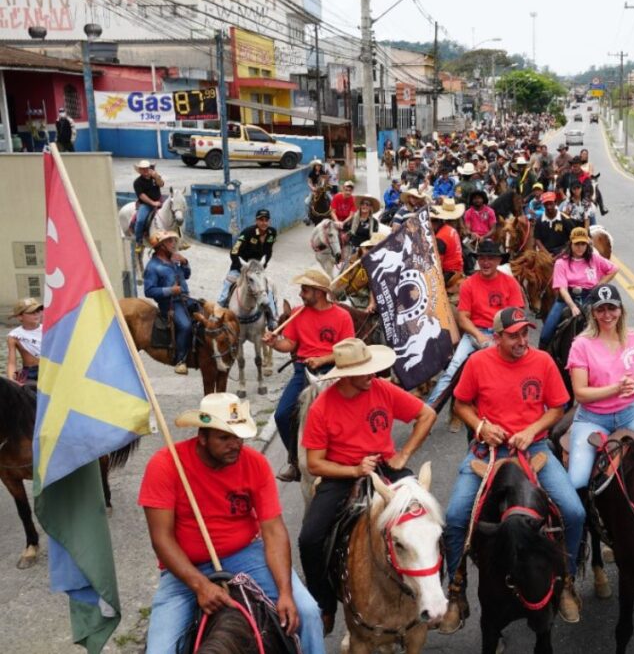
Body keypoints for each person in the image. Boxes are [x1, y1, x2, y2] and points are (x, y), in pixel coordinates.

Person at [138, 393, 324, 654]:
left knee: (308, 612)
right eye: (224, 437)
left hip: (246, 555)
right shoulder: (165, 465)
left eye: (239, 436)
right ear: (202, 437)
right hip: (185, 568)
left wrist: (284, 591)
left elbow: (273, 530)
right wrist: (200, 585)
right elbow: (161, 539)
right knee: (159, 650)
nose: (235, 445)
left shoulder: (255, 463)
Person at [439, 307, 585, 632]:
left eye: (524, 333)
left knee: (574, 512)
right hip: (488, 451)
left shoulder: (543, 361)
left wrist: (532, 430)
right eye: (514, 335)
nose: (522, 340)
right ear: (496, 336)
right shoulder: (478, 363)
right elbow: (461, 404)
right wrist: (480, 427)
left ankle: (567, 580)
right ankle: (455, 589)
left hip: (532, 449)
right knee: (456, 517)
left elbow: (558, 406)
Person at [297, 339, 437, 634]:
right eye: (365, 371)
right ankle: (325, 605)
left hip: (386, 468)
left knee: (428, 520)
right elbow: (315, 464)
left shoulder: (383, 389)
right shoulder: (322, 408)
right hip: (341, 475)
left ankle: (441, 594)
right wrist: (354, 469)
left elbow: (427, 415)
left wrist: (404, 454)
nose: (373, 375)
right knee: (309, 539)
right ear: (345, 375)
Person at [566, 285, 634, 491]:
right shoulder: (581, 345)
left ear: (621, 310)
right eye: (600, 309)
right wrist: (616, 389)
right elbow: (581, 394)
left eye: (612, 308)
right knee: (578, 481)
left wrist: (632, 385)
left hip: (631, 414)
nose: (607, 315)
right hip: (592, 419)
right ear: (592, 313)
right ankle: (583, 521)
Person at [262, 269, 355, 482]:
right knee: (282, 414)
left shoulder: (342, 316)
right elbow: (289, 345)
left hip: (333, 371)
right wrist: (274, 342)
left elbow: (349, 350)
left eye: (305, 290)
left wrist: (323, 360)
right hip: (302, 370)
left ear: (319, 292)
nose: (301, 294)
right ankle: (294, 461)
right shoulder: (296, 313)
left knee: (349, 411)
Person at [425, 240, 523, 408]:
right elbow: (463, 318)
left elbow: (517, 315)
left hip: (503, 333)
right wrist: (480, 336)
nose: (486, 262)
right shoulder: (469, 284)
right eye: (482, 258)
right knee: (453, 369)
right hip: (475, 333)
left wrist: (502, 336)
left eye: (490, 258)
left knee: (527, 365)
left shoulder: (510, 283)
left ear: (499, 261)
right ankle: (428, 412)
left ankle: (534, 409)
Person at [539, 227, 617, 348]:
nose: (580, 247)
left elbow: (613, 269)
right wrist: (572, 306)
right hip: (567, 299)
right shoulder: (561, 263)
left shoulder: (594, 258)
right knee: (546, 334)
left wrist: (598, 285)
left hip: (590, 297)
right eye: (577, 244)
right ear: (571, 244)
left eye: (583, 244)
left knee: (611, 326)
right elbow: (562, 289)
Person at [144, 231, 192, 375]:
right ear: (161, 246)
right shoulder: (152, 267)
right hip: (170, 304)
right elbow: (149, 291)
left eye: (172, 240)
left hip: (185, 299)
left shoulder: (174, 260)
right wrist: (170, 290)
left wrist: (185, 263)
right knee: (186, 325)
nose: (173, 244)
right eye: (169, 241)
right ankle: (180, 360)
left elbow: (187, 275)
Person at [217, 209, 277, 318]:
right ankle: (219, 313)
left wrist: (261, 267)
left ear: (269, 221)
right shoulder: (248, 233)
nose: (264, 223)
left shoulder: (272, 233)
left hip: (257, 270)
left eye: (266, 220)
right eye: (261, 220)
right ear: (256, 221)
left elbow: (268, 252)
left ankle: (272, 318)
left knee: (267, 289)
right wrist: (242, 267)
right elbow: (234, 251)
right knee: (228, 285)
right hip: (240, 267)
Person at [6, 298, 42, 384]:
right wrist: (11, 380)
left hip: (50, 369)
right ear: (20, 316)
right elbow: (12, 363)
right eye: (31, 312)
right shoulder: (14, 336)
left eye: (38, 311)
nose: (36, 314)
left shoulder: (48, 329)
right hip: (29, 372)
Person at [429, 197, 465, 284]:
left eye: (431, 222)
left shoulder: (440, 238)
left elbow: (438, 264)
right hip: (458, 268)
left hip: (449, 272)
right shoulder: (450, 229)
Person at [133, 160, 164, 250]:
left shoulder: (155, 178)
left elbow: (161, 184)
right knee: (140, 221)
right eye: (143, 169)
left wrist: (156, 176)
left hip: (159, 201)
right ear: (140, 170)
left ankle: (180, 238)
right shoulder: (137, 182)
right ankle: (138, 241)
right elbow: (142, 196)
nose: (145, 170)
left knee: (173, 213)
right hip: (146, 205)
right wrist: (153, 203)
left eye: (147, 168)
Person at [462, 189, 497, 270]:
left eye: (479, 198)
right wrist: (472, 234)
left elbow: (493, 229)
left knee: (488, 251)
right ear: (472, 200)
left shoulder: (490, 211)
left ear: (483, 199)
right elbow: (467, 229)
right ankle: (470, 270)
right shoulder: (468, 212)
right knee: (465, 249)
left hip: (487, 238)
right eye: (475, 198)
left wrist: (483, 237)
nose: (477, 200)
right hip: (472, 238)